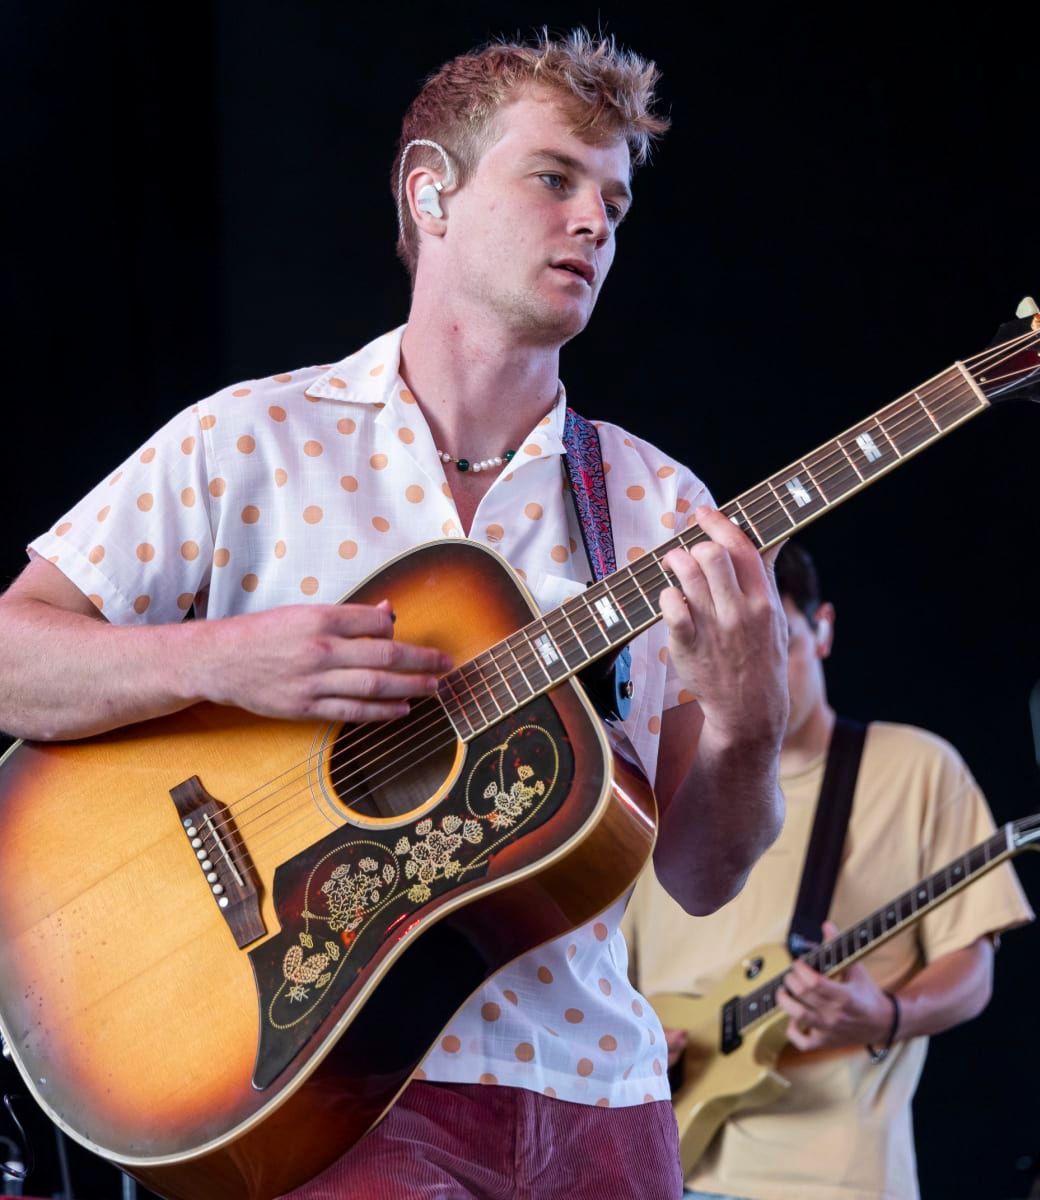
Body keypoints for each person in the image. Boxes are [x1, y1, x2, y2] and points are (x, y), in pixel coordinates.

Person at [0, 30, 789, 1200]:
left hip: (597, 1100)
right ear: (432, 192)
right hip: (330, 1089)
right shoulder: (246, 442)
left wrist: (749, 722)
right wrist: (228, 660)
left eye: (615, 202)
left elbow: (704, 876)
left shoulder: (660, 505)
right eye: (553, 178)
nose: (594, 223)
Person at [623, 541, 1034, 1200]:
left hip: (834, 1178)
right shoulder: (650, 792)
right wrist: (637, 1042)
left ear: (823, 631)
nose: (747, 677)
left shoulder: (917, 766)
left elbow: (973, 964)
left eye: (769, 647)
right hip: (659, 1170)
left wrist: (889, 1015)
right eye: (722, 656)